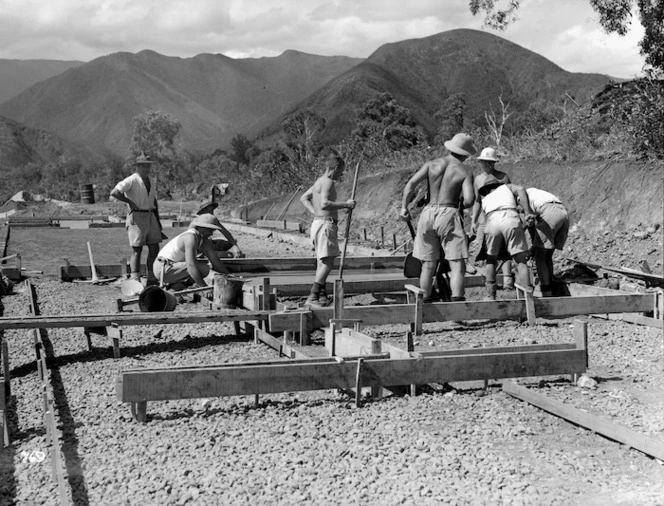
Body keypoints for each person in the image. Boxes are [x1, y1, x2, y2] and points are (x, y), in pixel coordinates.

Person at [400, 133, 476, 303]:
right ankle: (456, 306)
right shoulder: (464, 171)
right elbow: (470, 200)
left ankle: (425, 303)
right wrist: (460, 204)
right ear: (466, 153)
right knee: (457, 263)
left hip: (427, 213)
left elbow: (411, 184)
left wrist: (404, 207)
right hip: (449, 213)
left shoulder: (431, 164)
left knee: (428, 263)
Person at [300, 153, 356, 307]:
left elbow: (304, 198)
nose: (342, 174)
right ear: (336, 168)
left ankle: (322, 295)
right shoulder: (328, 182)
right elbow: (324, 203)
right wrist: (346, 204)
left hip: (318, 223)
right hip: (325, 225)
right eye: (341, 170)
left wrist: (315, 212)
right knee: (328, 263)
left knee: (322, 261)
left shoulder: (319, 181)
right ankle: (313, 296)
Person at [475, 179, 537, 300]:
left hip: (492, 220)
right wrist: (527, 212)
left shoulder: (486, 199)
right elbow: (521, 189)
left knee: (491, 260)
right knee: (520, 261)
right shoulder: (507, 187)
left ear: (487, 190)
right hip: (510, 217)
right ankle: (528, 297)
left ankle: (490, 296)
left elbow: (484, 220)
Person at [110, 152, 164, 285]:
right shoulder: (132, 180)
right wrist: (129, 201)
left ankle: (151, 276)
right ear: (137, 167)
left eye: (147, 166)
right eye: (143, 166)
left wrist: (158, 220)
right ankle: (135, 279)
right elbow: (115, 192)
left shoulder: (151, 180)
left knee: (154, 247)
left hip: (150, 215)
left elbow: (153, 200)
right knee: (137, 248)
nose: (146, 168)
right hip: (137, 216)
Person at [470, 147, 515, 289]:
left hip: (501, 217)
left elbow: (510, 197)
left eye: (488, 162)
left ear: (493, 163)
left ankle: (508, 281)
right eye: (483, 162)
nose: (486, 165)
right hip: (484, 219)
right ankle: (489, 280)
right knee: (483, 250)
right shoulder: (478, 179)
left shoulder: (503, 177)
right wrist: (473, 220)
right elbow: (477, 201)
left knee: (505, 249)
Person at [153, 214, 231, 288]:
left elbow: (214, 260)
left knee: (206, 267)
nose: (211, 234)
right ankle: (178, 285)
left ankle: (177, 287)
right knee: (203, 268)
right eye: (209, 230)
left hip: (172, 267)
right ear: (201, 228)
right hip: (163, 268)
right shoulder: (190, 237)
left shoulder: (203, 240)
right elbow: (190, 265)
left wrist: (229, 276)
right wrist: (203, 287)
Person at [525, 187, 570, 297]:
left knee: (540, 257)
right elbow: (532, 222)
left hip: (549, 213)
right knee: (547, 255)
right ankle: (550, 287)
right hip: (563, 213)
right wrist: (535, 244)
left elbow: (528, 222)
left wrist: (534, 246)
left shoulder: (521, 198)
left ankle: (546, 292)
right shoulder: (535, 193)